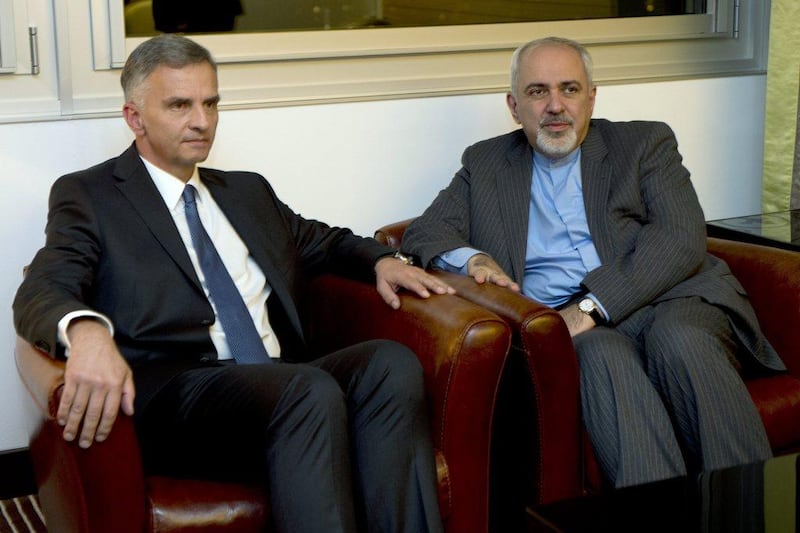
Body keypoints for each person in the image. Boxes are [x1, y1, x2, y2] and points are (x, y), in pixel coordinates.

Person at [13, 34, 452, 533]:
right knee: (305, 389)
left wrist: (379, 260)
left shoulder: (246, 191)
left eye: (210, 103)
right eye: (180, 105)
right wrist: (87, 332)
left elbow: (323, 241)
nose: (201, 121)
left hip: (282, 384)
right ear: (135, 117)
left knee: (388, 364)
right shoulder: (89, 195)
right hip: (182, 397)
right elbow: (45, 284)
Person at [402, 36, 786, 489]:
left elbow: (681, 239)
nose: (555, 106)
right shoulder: (486, 164)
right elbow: (423, 233)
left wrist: (590, 308)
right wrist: (476, 257)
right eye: (537, 91)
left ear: (592, 97)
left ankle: (748, 506)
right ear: (513, 105)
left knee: (679, 340)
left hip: (672, 299)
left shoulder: (644, 143)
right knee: (601, 356)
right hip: (579, 330)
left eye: (569, 88)